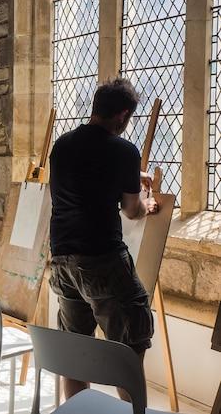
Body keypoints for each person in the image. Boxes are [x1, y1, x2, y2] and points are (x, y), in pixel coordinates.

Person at [49, 78, 159, 401]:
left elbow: (89, 177)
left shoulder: (62, 146)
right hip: (102, 261)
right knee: (129, 345)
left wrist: (131, 176)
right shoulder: (123, 151)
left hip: (61, 261)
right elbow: (131, 209)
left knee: (75, 354)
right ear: (123, 115)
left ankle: (78, 409)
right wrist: (147, 204)